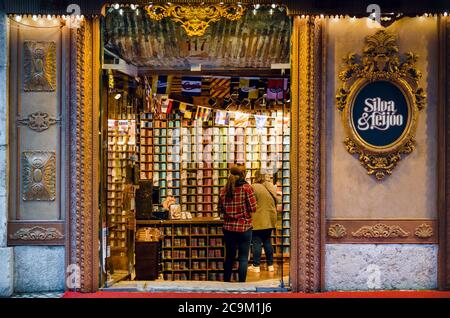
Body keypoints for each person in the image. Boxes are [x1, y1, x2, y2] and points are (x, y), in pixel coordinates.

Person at [219, 164, 257, 282]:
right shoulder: (247, 188)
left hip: (228, 228)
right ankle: (241, 283)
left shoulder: (223, 190)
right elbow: (253, 207)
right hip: (244, 227)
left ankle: (226, 282)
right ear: (242, 174)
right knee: (243, 258)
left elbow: (220, 209)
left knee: (229, 256)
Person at [248, 171, 278, 273]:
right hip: (270, 218)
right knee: (267, 241)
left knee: (256, 241)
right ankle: (270, 265)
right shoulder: (270, 187)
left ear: (256, 177)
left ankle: (256, 266)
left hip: (258, 218)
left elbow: (251, 203)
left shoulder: (254, 187)